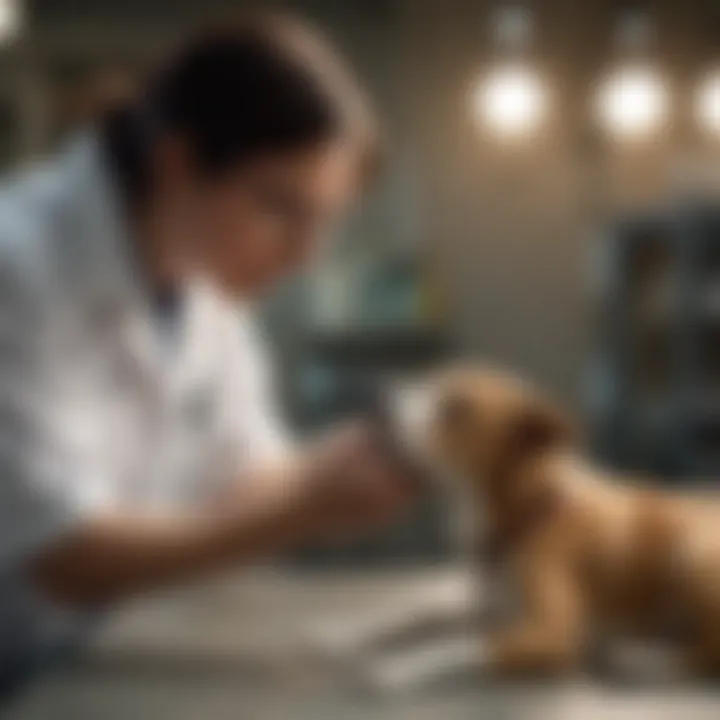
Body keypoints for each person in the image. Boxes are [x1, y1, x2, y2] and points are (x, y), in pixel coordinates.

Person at [0, 15, 418, 696]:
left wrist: (365, 458)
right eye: (281, 209)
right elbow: (61, 554)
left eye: (324, 221)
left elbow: (247, 476)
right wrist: (307, 508)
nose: (306, 257)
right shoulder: (16, 267)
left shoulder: (205, 287)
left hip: (84, 668)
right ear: (176, 161)